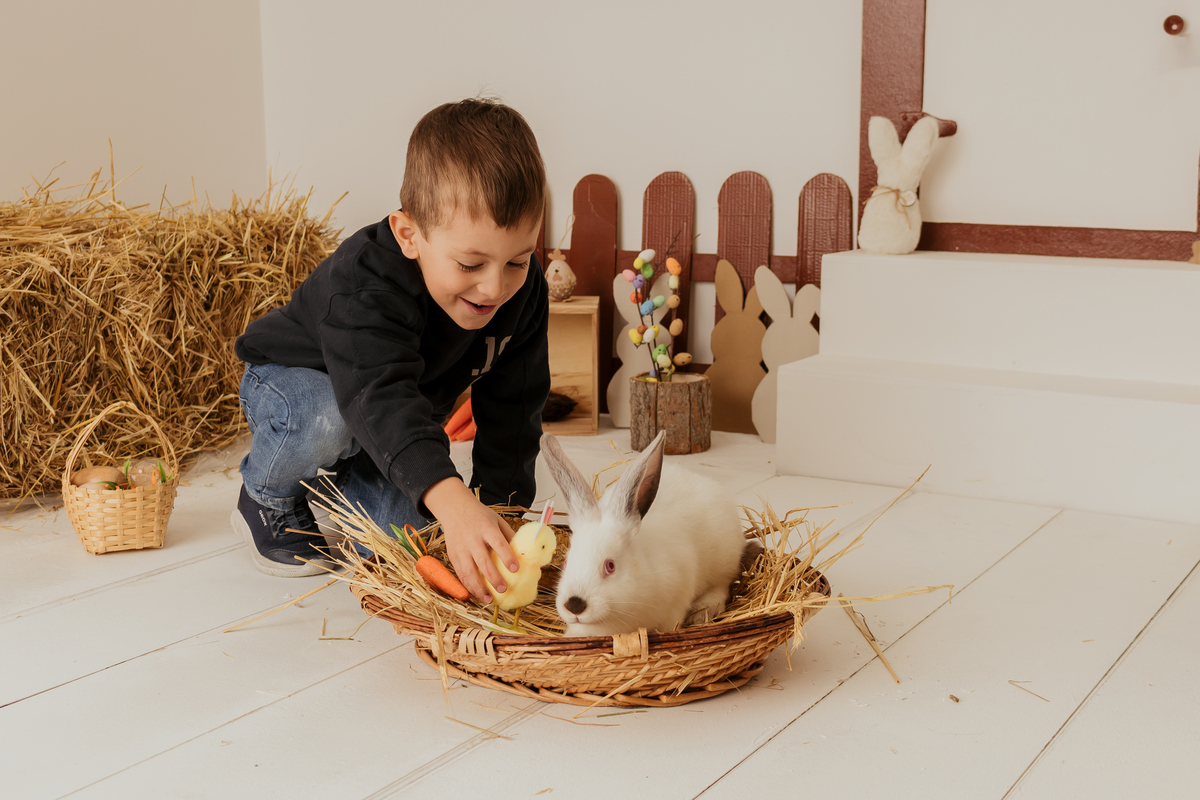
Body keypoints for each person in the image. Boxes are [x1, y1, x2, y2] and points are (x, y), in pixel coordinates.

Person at [231, 97, 549, 604]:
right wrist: (451, 496)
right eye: (470, 264)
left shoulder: (524, 290)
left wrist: (500, 511)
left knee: (413, 540)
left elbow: (516, 402)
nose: (494, 287)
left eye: (517, 260)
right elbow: (377, 394)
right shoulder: (366, 280)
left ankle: (342, 482)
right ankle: (266, 497)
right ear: (409, 234)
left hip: (388, 424)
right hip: (299, 388)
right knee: (327, 417)